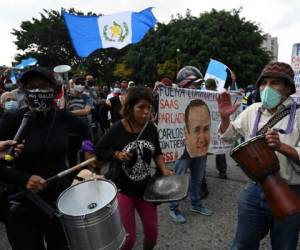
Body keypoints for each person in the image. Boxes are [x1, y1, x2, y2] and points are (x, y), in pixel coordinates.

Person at [0, 66, 92, 250]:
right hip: (22, 206)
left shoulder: (64, 118)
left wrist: (88, 160)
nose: (37, 90)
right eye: (31, 86)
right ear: (23, 90)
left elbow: (86, 134)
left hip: (60, 202)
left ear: (55, 90)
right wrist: (24, 179)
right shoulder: (11, 120)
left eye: (43, 86)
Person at [217, 62, 300, 250]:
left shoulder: (299, 114)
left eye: (275, 83)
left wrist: (281, 146)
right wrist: (224, 118)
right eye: (263, 83)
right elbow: (229, 136)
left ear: (287, 88)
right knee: (242, 244)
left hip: (290, 190)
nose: (267, 88)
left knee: (284, 245)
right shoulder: (253, 110)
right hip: (255, 190)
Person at [96, 86, 173, 250]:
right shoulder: (117, 129)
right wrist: (116, 154)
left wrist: (164, 169)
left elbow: (157, 152)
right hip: (122, 190)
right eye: (141, 107)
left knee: (152, 234)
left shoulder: (151, 128)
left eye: (148, 107)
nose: (146, 112)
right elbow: (100, 150)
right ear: (130, 108)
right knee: (128, 239)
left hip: (146, 189)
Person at [169, 98, 213, 223]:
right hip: (183, 153)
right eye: (197, 129)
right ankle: (173, 208)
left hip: (201, 154)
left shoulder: (203, 147)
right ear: (186, 133)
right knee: (178, 180)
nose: (202, 138)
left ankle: (196, 203)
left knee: (198, 179)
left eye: (206, 129)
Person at [205, 78, 228, 179]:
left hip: (210, 126)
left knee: (205, 149)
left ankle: (201, 170)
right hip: (216, 127)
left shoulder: (203, 95)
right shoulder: (220, 95)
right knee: (219, 149)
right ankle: (222, 171)